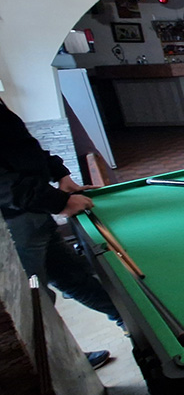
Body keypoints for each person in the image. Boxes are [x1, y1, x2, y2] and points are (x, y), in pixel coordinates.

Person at [0, 98, 122, 369]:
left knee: (74, 276)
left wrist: (60, 174)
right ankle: (60, 369)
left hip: (33, 214)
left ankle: (132, 324)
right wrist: (59, 202)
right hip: (13, 227)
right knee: (33, 301)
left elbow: (20, 146)